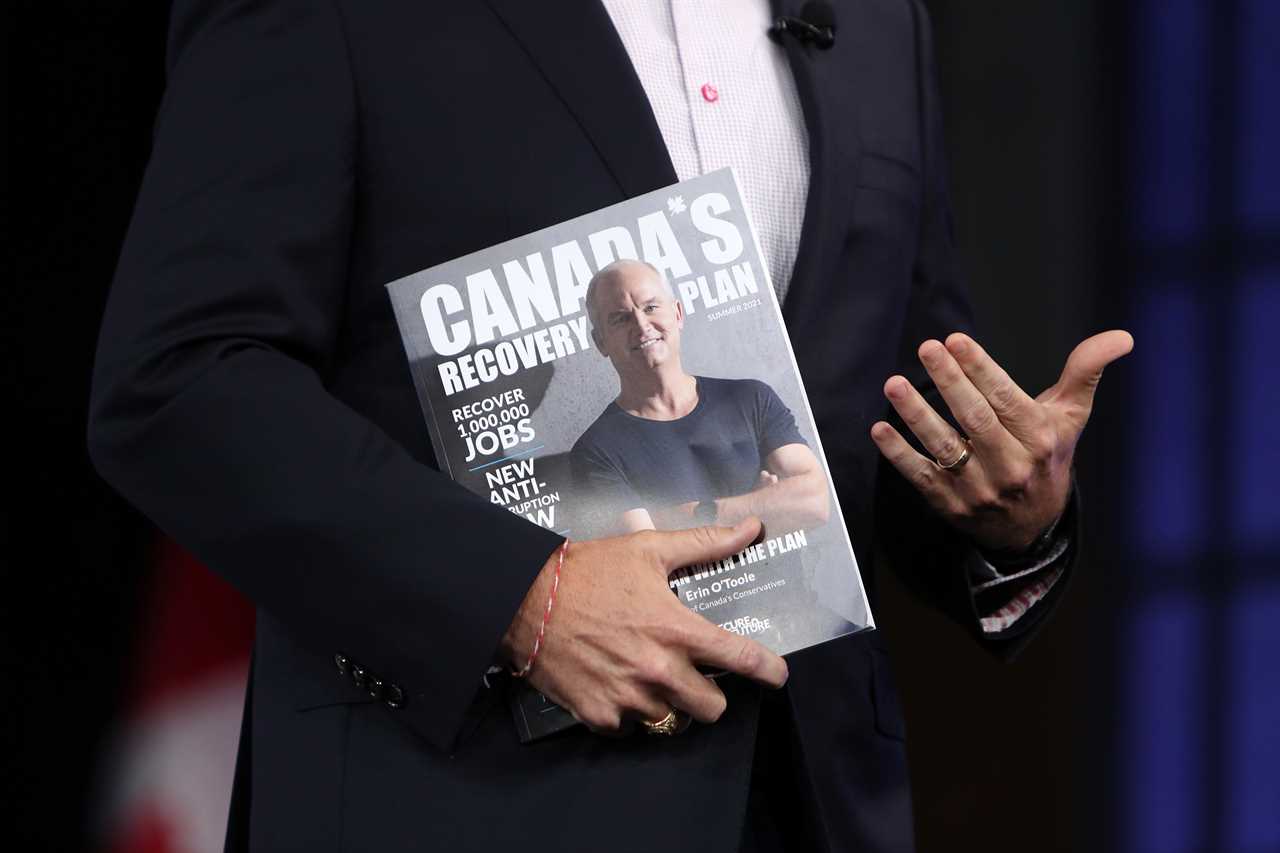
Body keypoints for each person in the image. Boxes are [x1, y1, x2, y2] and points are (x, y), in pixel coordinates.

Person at [87, 1, 1132, 851]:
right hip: (458, 801)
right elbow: (179, 379)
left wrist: (1009, 514)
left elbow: (888, 419)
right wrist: (520, 596)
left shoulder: (877, 20)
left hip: (814, 803)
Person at [571, 259, 829, 536]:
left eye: (650, 307)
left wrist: (693, 514)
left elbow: (815, 503)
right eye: (621, 318)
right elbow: (647, 557)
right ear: (601, 342)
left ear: (678, 314)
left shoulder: (751, 398)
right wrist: (762, 507)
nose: (641, 323)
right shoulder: (595, 451)